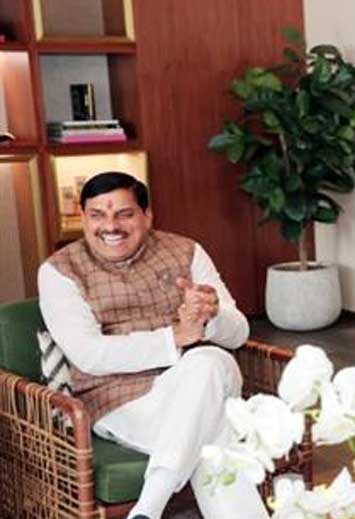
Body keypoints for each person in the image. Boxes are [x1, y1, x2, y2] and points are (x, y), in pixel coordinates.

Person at [37, 172, 266, 519]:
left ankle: (148, 508)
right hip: (119, 401)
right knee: (215, 428)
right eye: (97, 215)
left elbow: (239, 334)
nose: (110, 226)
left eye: (124, 214)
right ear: (82, 217)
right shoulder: (59, 271)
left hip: (198, 380)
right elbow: (89, 355)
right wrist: (175, 337)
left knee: (208, 360)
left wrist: (212, 315)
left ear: (147, 215)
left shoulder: (186, 251)